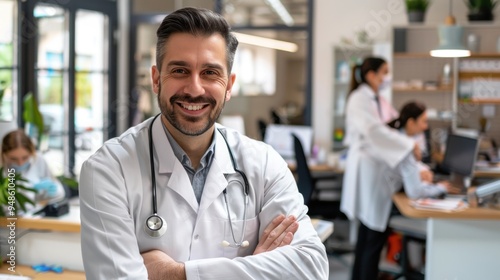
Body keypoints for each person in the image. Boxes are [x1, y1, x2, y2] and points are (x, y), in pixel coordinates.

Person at [79, 7, 328, 280]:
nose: (195, 89)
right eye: (180, 70)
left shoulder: (264, 164)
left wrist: (175, 274)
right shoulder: (107, 170)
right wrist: (256, 266)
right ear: (155, 79)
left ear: (229, 85)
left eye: (210, 72)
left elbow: (311, 269)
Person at [340, 57, 434, 280]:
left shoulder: (378, 100)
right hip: (370, 171)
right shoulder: (359, 99)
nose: (387, 78)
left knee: (369, 236)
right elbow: (375, 132)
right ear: (371, 75)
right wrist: (410, 145)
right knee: (371, 238)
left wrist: (413, 153)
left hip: (377, 170)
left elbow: (397, 123)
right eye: (384, 73)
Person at [1, 129, 65, 210]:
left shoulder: (38, 160)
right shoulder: (2, 170)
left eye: (25, 157)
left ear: (32, 151)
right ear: (4, 154)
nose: (20, 163)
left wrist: (52, 190)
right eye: (13, 159)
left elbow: (60, 193)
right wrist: (30, 190)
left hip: (36, 217)